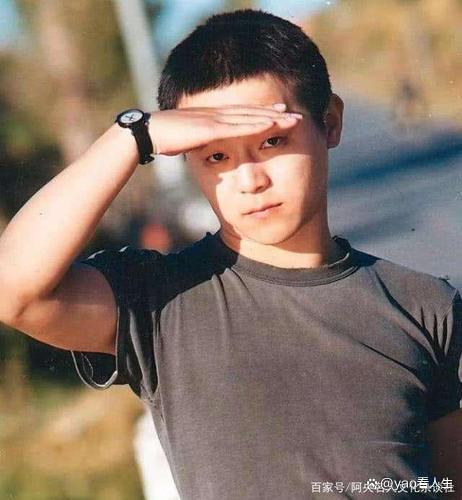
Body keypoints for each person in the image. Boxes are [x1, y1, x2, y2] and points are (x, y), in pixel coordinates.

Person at [0, 9, 460, 500]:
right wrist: (133, 136)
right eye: (216, 155)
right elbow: (14, 291)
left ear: (330, 121)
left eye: (272, 141)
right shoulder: (162, 302)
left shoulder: (424, 304)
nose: (249, 180)